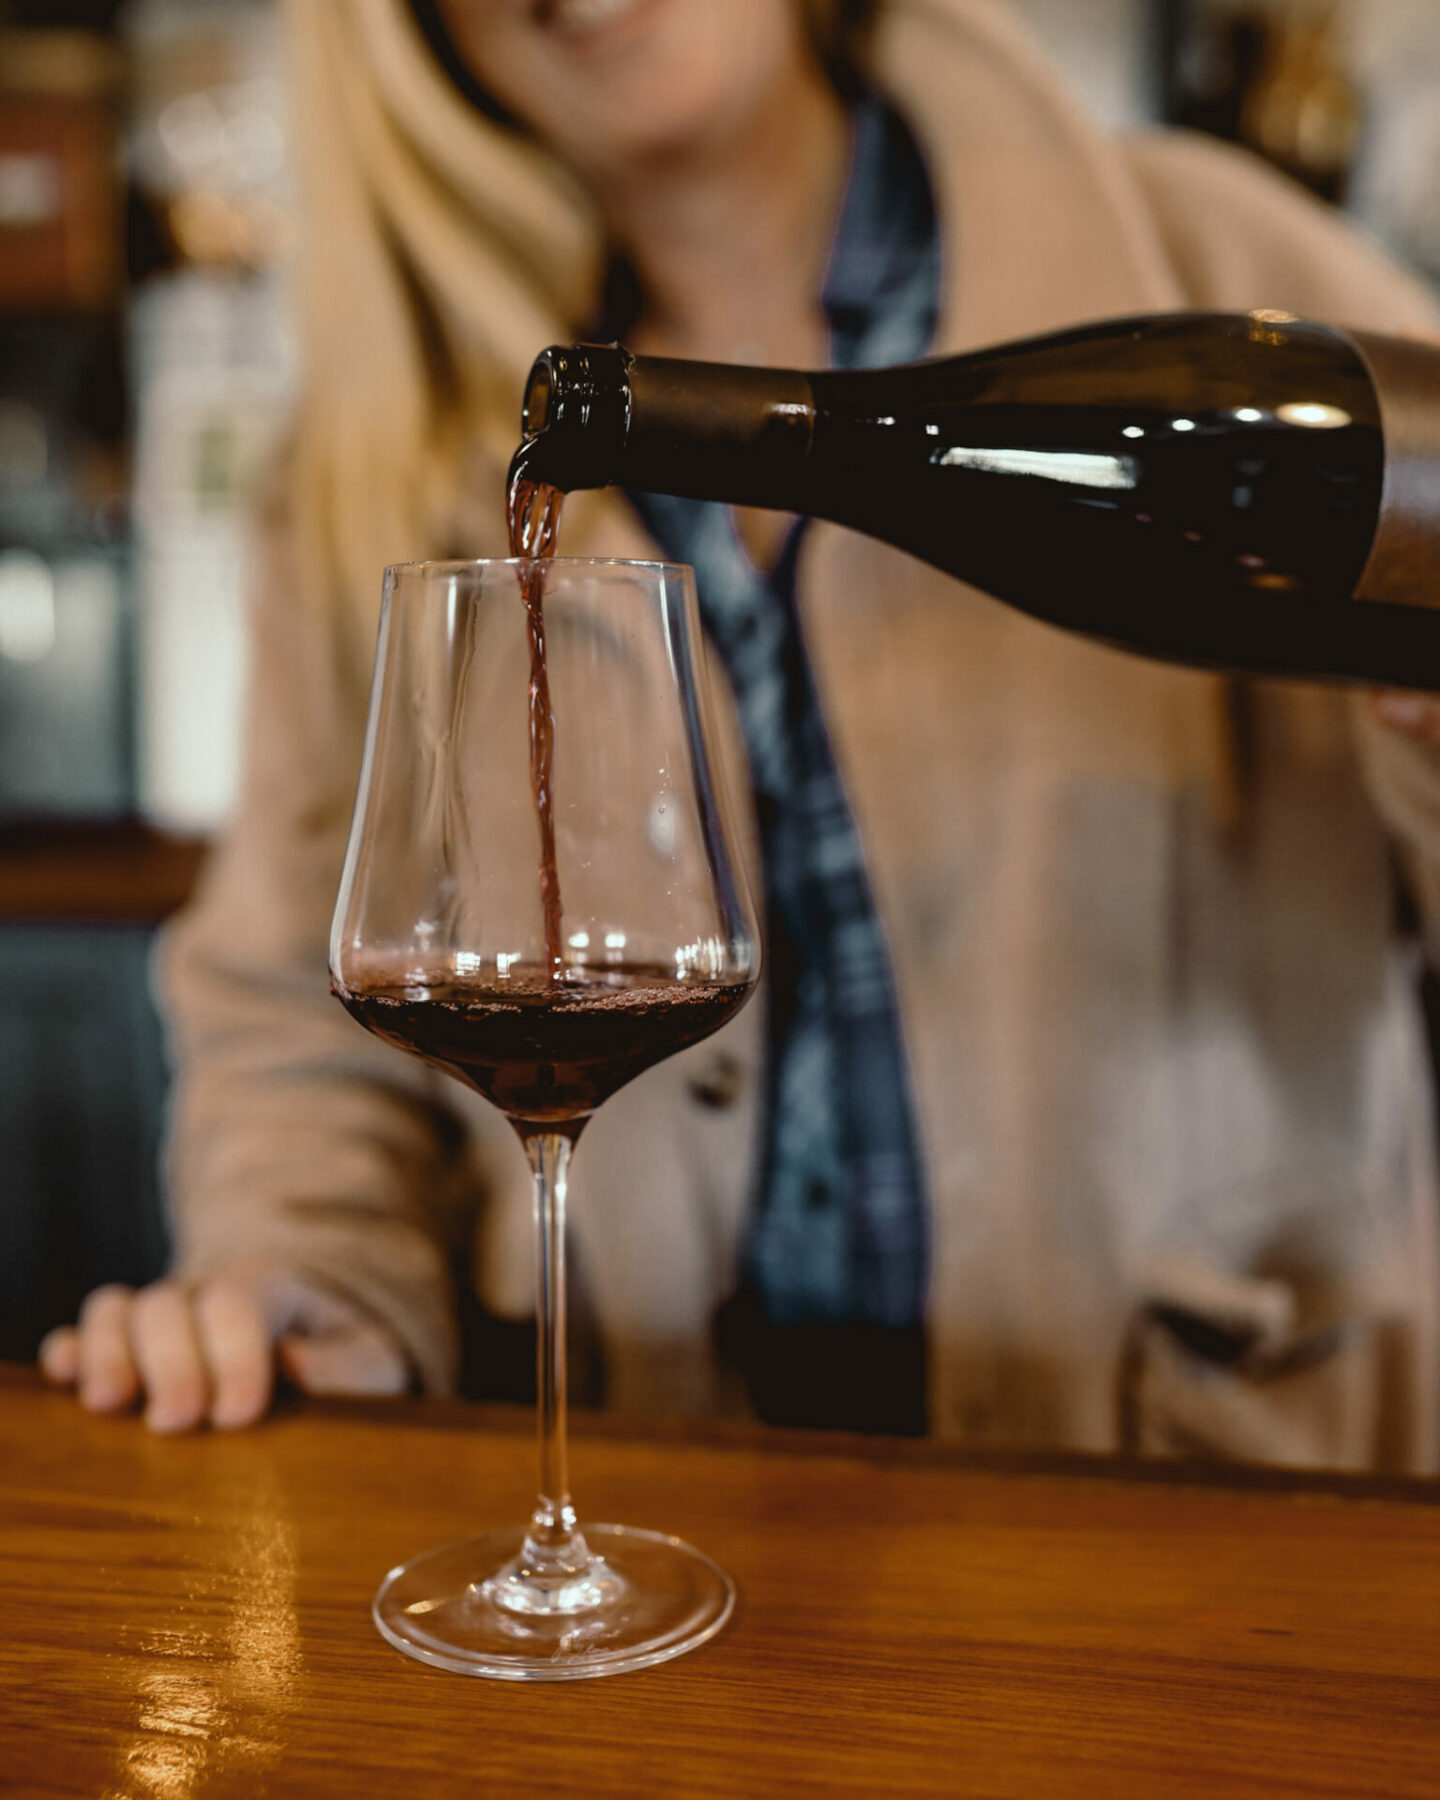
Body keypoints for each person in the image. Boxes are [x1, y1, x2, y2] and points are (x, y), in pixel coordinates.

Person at [40, 0, 1440, 1465]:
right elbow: (296, 1010)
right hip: (663, 1544)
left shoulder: (1234, 284)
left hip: (1212, 1530)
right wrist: (311, 1278)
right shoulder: (372, 457)